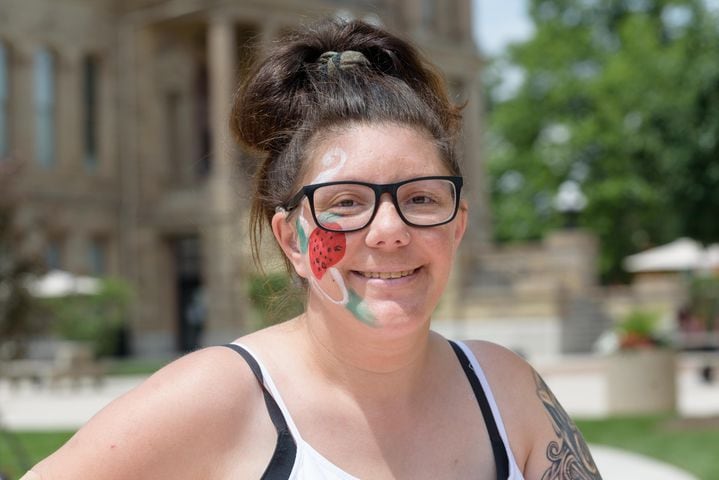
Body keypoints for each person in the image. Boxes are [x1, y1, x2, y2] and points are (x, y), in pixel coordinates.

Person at [24, 18, 601, 479]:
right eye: (345, 203)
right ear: (291, 240)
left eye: (422, 199)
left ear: (458, 224)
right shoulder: (217, 399)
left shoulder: (507, 391)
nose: (388, 230)